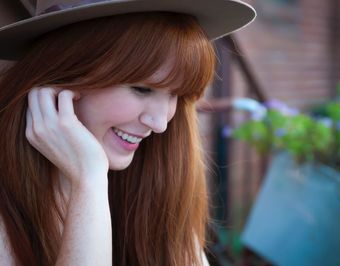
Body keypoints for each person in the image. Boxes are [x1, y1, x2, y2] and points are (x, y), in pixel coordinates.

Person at [0, 0, 255, 265]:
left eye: (177, 95)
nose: (160, 124)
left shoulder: (152, 184)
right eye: (142, 89)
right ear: (61, 75)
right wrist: (89, 182)